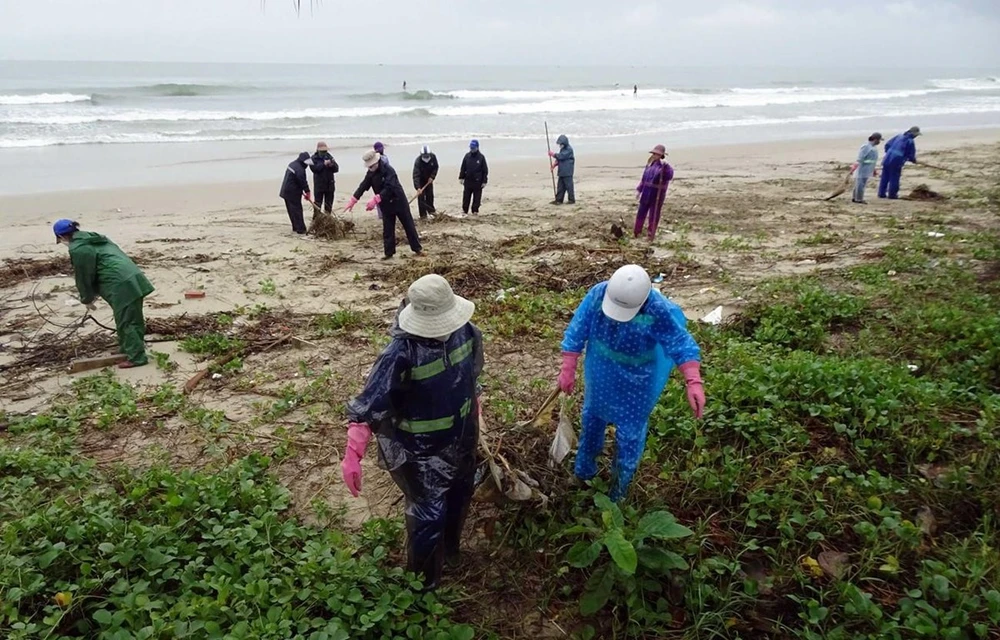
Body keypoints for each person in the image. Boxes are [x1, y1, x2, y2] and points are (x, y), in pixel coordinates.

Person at [341, 274, 483, 589]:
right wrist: (353, 452)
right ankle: (423, 586)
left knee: (461, 494)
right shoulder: (400, 353)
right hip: (420, 452)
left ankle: (451, 551)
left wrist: (475, 408)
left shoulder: (465, 332)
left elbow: (472, 374)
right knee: (428, 515)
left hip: (461, 436)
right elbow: (370, 403)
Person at [558, 264, 704, 501]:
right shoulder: (598, 294)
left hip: (638, 381)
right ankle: (583, 474)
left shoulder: (657, 309)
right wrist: (568, 367)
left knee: (630, 434)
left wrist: (693, 381)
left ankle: (619, 490)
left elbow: (680, 343)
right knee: (592, 420)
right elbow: (577, 329)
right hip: (601, 371)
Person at [53, 220, 154, 369]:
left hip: (120, 283)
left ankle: (137, 358)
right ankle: (127, 348)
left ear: (61, 236)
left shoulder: (79, 248)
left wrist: (86, 298)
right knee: (125, 317)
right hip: (132, 277)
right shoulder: (96, 238)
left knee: (128, 321)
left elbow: (84, 275)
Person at [345, 150, 423, 259]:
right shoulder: (371, 173)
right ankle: (389, 253)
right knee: (388, 229)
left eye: (371, 166)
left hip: (398, 201)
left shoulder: (389, 170)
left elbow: (390, 187)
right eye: (368, 167)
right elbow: (363, 186)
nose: (370, 168)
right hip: (385, 204)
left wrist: (377, 198)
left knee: (408, 225)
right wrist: (354, 199)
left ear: (377, 162)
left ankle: (417, 249)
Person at [634, 144, 674, 240]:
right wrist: (639, 190)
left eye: (657, 154)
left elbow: (669, 175)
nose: (655, 155)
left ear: (661, 155)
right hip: (646, 192)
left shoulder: (664, 166)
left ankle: (650, 234)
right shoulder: (649, 164)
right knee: (641, 212)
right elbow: (644, 179)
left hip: (657, 193)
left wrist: (666, 166)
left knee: (654, 213)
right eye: (654, 154)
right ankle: (637, 232)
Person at [878, 126, 921, 200]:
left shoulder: (899, 136)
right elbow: (910, 154)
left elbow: (887, 145)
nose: (916, 136)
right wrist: (913, 160)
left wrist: (889, 153)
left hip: (887, 158)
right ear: (913, 134)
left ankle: (881, 193)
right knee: (894, 177)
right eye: (916, 135)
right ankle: (892, 195)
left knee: (885, 177)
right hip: (896, 161)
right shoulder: (910, 141)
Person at [279, 151, 313, 234]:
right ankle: (301, 229)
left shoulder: (292, 164)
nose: (307, 165)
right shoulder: (300, 169)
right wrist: (307, 191)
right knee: (297, 210)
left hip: (286, 191)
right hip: (292, 192)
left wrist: (303, 191)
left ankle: (295, 227)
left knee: (291, 211)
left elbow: (296, 180)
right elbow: (302, 181)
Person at [459, 140, 488, 215]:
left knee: (477, 197)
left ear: (477, 148)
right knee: (466, 197)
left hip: (478, 181)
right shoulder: (467, 156)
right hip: (468, 180)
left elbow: (485, 170)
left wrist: (484, 181)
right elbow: (463, 167)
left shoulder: (481, 157)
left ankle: (475, 210)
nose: (472, 149)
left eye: (473, 148)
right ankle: (465, 210)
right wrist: (461, 177)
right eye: (471, 148)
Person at [310, 141, 339, 214]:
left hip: (330, 185)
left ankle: (328, 219)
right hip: (319, 186)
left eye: (325, 151)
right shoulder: (313, 159)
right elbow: (314, 169)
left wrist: (331, 165)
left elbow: (336, 169)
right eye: (322, 151)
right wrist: (323, 164)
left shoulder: (329, 156)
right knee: (317, 205)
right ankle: (316, 220)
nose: (324, 153)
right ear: (318, 150)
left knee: (328, 205)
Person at [853, 132, 882, 204]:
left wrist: (873, 169)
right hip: (863, 168)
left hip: (868, 168)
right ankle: (858, 199)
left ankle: (855, 197)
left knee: (861, 183)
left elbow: (872, 160)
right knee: (860, 184)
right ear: (875, 139)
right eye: (879, 140)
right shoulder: (866, 146)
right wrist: (855, 166)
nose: (879, 142)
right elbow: (860, 157)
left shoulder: (873, 147)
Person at [412, 145, 439, 219]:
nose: (426, 157)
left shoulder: (433, 157)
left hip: (429, 180)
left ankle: (431, 212)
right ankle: (423, 215)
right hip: (420, 181)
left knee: (430, 196)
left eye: (427, 155)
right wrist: (418, 188)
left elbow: (436, 167)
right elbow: (415, 176)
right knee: (421, 198)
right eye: (424, 155)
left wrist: (432, 177)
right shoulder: (418, 161)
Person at [549, 134, 575, 205]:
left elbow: (561, 156)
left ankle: (571, 200)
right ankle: (559, 200)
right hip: (562, 171)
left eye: (561, 144)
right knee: (560, 186)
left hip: (567, 171)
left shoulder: (569, 150)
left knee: (569, 186)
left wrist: (553, 154)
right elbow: (559, 159)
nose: (560, 145)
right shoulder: (562, 149)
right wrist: (554, 165)